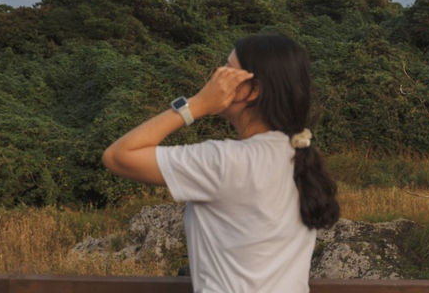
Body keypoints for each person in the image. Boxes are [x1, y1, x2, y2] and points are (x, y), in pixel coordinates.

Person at [102, 32, 339, 292]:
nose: (217, 75)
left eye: (228, 70)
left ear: (253, 90)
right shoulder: (298, 156)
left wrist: (197, 104)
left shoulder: (225, 161)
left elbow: (118, 156)